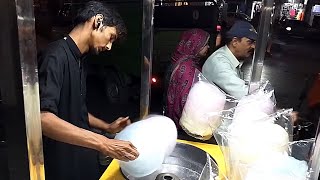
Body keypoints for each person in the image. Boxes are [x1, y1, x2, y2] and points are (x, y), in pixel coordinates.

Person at [38, 1, 139, 179]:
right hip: (63, 162)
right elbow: (44, 119)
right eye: (111, 37)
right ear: (97, 21)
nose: (109, 47)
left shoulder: (80, 59)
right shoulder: (55, 56)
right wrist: (104, 143)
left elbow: (76, 109)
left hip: (83, 155)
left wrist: (107, 127)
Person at [165, 29, 210, 128]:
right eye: (205, 44)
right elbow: (185, 99)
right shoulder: (187, 67)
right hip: (184, 124)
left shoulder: (181, 60)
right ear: (195, 44)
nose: (208, 47)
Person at [202, 21, 257, 99]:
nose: (253, 46)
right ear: (235, 42)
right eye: (250, 42)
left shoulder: (230, 58)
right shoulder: (220, 63)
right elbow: (243, 94)